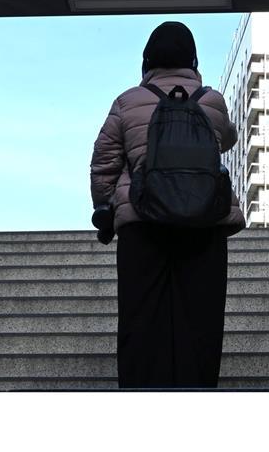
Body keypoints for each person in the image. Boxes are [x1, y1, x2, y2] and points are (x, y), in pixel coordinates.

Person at [89, 21, 245, 389]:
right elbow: (228, 139)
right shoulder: (212, 100)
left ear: (147, 62)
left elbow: (104, 162)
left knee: (140, 316)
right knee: (200, 318)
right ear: (192, 59)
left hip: (143, 222)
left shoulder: (127, 102)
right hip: (204, 221)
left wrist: (106, 208)